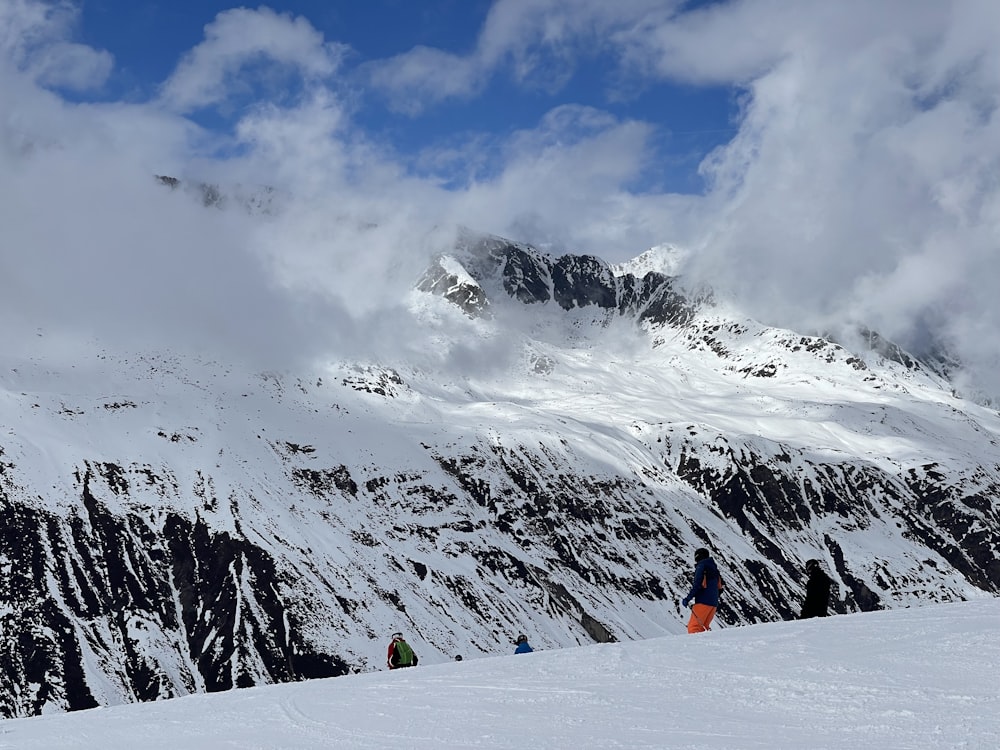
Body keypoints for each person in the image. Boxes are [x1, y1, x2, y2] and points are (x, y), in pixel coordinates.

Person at [681, 547, 723, 633]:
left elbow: (697, 585)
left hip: (703, 602)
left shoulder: (701, 566)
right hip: (713, 603)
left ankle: (696, 646)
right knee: (704, 628)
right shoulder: (714, 568)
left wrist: (687, 599)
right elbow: (720, 587)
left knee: (694, 627)